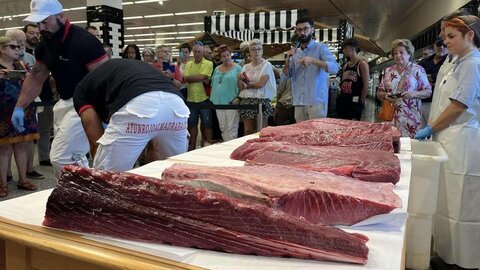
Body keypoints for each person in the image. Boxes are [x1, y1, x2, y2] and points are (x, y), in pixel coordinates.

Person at [11, 0, 109, 178]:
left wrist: (106, 115)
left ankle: (82, 194)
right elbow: (35, 78)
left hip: (86, 104)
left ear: (61, 16)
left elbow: (104, 80)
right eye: (38, 23)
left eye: (45, 21)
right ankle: (77, 197)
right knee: (75, 157)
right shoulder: (45, 45)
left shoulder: (85, 42)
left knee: (61, 157)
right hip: (63, 103)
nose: (41, 28)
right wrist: (19, 106)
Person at [415, 15, 480, 270]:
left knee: (462, 203)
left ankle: (464, 261)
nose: (446, 41)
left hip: (463, 140)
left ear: (470, 36)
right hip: (447, 140)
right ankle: (445, 253)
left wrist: (431, 126)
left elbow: (459, 105)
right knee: (445, 201)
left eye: (452, 36)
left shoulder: (473, 63)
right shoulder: (454, 62)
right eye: (444, 37)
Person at [73, 59, 189, 171]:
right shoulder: (120, 71)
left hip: (138, 104)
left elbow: (95, 141)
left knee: (107, 179)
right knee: (174, 174)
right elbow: (155, 146)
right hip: (175, 103)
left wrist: (101, 165)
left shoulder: (81, 92)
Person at [0, 36, 39, 197]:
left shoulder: (22, 65)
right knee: (4, 148)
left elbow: (34, 83)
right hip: (2, 112)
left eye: (18, 47)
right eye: (13, 47)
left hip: (23, 110)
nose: (17, 50)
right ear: (2, 49)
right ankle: (2, 183)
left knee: (23, 145)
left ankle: (23, 179)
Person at [283, 16, 339, 121]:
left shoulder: (321, 48)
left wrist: (313, 60)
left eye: (305, 29)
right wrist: (287, 59)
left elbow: (335, 68)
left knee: (316, 135)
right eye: (299, 30)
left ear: (312, 30)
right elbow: (285, 76)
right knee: (300, 135)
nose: (302, 33)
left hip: (316, 101)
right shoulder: (295, 52)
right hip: (299, 101)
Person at [5, 29, 44, 180]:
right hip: (6, 105)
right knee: (5, 143)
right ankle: (6, 174)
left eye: (22, 43)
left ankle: (28, 170)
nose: (19, 46)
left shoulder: (27, 58)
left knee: (26, 139)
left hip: (26, 103)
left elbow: (37, 77)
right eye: (16, 43)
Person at [376, 39, 431, 138]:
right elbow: (379, 93)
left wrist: (413, 94)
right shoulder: (388, 71)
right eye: (395, 53)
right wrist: (386, 96)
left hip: (411, 118)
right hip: (391, 116)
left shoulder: (417, 70)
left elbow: (428, 92)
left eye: (401, 52)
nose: (398, 55)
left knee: (410, 146)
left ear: (409, 54)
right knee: (392, 145)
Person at [237, 39, 276, 135]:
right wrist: (239, 79)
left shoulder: (267, 65)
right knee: (248, 130)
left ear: (262, 51)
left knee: (261, 130)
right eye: (253, 49)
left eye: (259, 49)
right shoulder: (245, 67)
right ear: (249, 52)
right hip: (247, 100)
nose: (256, 51)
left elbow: (261, 84)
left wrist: (248, 85)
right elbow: (241, 87)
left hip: (262, 100)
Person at [183, 41, 214, 150]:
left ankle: (209, 145)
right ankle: (192, 147)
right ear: (193, 52)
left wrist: (194, 78)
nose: (197, 53)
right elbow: (185, 79)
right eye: (195, 51)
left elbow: (202, 77)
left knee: (207, 124)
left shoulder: (209, 63)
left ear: (203, 52)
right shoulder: (188, 64)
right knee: (192, 125)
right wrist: (200, 77)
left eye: (199, 51)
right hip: (191, 99)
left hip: (204, 98)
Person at [210, 45, 242, 141]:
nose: (226, 58)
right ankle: (226, 146)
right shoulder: (217, 69)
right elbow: (213, 84)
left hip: (231, 102)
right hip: (218, 103)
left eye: (228, 55)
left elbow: (244, 86)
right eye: (223, 56)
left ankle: (231, 149)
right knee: (223, 127)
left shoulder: (238, 68)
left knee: (232, 128)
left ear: (230, 55)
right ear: (220, 57)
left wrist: (239, 98)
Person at [337, 38, 369, 120]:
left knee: (352, 126)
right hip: (344, 101)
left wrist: (361, 103)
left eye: (345, 48)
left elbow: (365, 85)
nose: (343, 50)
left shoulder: (362, 64)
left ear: (352, 49)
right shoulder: (345, 65)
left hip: (355, 102)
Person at [418, 38, 448, 125]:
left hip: (437, 102)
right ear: (434, 45)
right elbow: (416, 77)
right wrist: (432, 78)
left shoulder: (449, 62)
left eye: (445, 45)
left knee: (432, 128)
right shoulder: (424, 62)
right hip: (420, 100)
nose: (442, 47)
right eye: (439, 44)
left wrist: (426, 78)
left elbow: (442, 79)